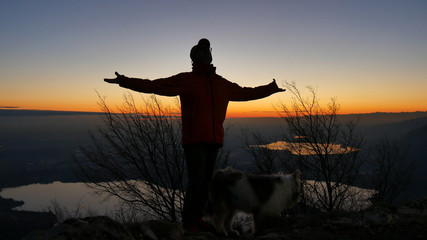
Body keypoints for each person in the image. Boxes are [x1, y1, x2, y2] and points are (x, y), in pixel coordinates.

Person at [104, 38, 285, 231]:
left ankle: (200, 220)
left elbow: (246, 93)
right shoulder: (187, 80)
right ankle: (190, 223)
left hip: (214, 140)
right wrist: (124, 81)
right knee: (197, 182)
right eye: (202, 51)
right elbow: (154, 86)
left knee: (205, 183)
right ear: (195, 57)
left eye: (207, 50)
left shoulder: (220, 83)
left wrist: (270, 89)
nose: (206, 54)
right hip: (194, 141)